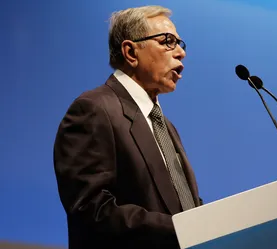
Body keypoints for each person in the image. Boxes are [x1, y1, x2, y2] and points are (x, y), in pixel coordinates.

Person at [53, 5, 202, 249]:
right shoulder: (93, 110)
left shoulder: (165, 125)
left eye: (180, 44)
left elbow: (182, 205)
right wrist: (182, 228)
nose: (180, 53)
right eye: (168, 41)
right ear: (131, 52)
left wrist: (213, 223)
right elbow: (92, 210)